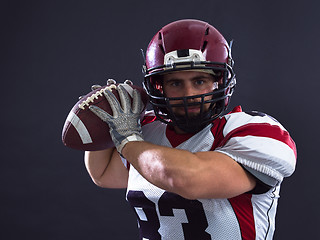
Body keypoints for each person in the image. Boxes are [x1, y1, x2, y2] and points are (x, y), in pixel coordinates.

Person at [84, 19, 297, 240]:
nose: (188, 93)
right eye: (175, 83)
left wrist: (126, 140)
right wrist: (104, 119)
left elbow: (188, 181)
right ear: (159, 87)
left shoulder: (255, 132)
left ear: (219, 81)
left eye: (199, 80)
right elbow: (102, 173)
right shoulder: (145, 131)